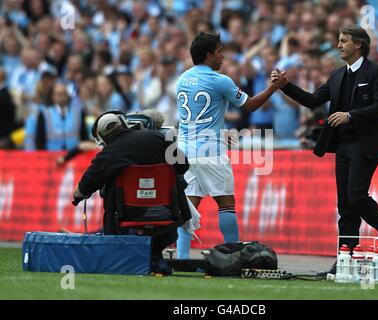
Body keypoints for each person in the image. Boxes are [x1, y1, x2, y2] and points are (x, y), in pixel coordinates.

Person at [272, 25, 378, 275]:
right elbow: (313, 100)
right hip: (343, 146)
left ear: (358, 44)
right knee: (345, 205)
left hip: (365, 144)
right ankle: (346, 260)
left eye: (343, 41)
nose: (338, 45)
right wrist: (285, 86)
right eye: (339, 40)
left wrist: (350, 115)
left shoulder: (376, 71)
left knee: (356, 197)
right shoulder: (336, 75)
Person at [175, 32, 288, 259]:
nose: (223, 56)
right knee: (226, 203)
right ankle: (234, 257)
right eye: (219, 52)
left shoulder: (182, 79)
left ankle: (182, 258)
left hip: (184, 152)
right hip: (211, 152)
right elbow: (251, 106)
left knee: (189, 207)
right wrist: (274, 87)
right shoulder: (220, 80)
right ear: (208, 55)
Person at [71, 111, 191, 259]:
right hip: (166, 212)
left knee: (110, 190)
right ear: (124, 123)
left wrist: (76, 198)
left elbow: (81, 190)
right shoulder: (160, 139)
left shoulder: (109, 153)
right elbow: (183, 166)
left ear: (102, 137)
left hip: (128, 215)